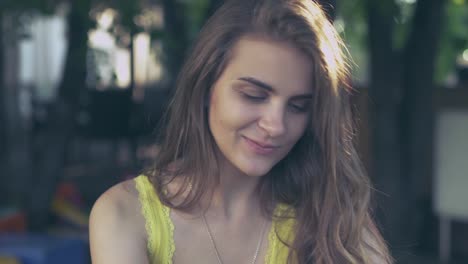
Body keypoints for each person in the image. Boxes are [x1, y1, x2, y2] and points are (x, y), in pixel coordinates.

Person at [89, 0, 393, 263]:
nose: (276, 126)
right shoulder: (123, 215)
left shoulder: (331, 216)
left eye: (298, 106)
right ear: (206, 89)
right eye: (253, 95)